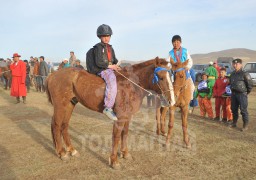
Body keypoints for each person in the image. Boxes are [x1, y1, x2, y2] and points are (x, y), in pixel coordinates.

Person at [86, 24, 120, 121]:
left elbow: (114, 60)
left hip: (110, 68)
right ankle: (108, 107)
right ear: (100, 37)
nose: (106, 38)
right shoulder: (98, 48)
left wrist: (117, 66)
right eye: (104, 36)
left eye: (108, 36)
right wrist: (110, 66)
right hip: (102, 70)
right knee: (112, 80)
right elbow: (99, 62)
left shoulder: (110, 48)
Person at [167, 35, 194, 105]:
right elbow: (168, 63)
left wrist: (188, 66)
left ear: (180, 42)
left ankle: (192, 100)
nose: (175, 43)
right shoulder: (170, 53)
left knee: (192, 79)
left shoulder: (185, 51)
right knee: (168, 82)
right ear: (172, 43)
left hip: (184, 70)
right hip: (175, 71)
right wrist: (171, 67)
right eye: (174, 42)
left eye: (177, 42)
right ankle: (168, 98)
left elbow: (190, 60)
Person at [229, 58, 253, 131]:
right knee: (234, 109)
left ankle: (245, 125)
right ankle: (234, 122)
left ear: (241, 64)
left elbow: (249, 85)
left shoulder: (245, 73)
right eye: (234, 64)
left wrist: (245, 92)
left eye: (237, 64)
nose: (235, 65)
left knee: (243, 110)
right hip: (234, 94)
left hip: (242, 94)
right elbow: (230, 82)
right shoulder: (232, 73)